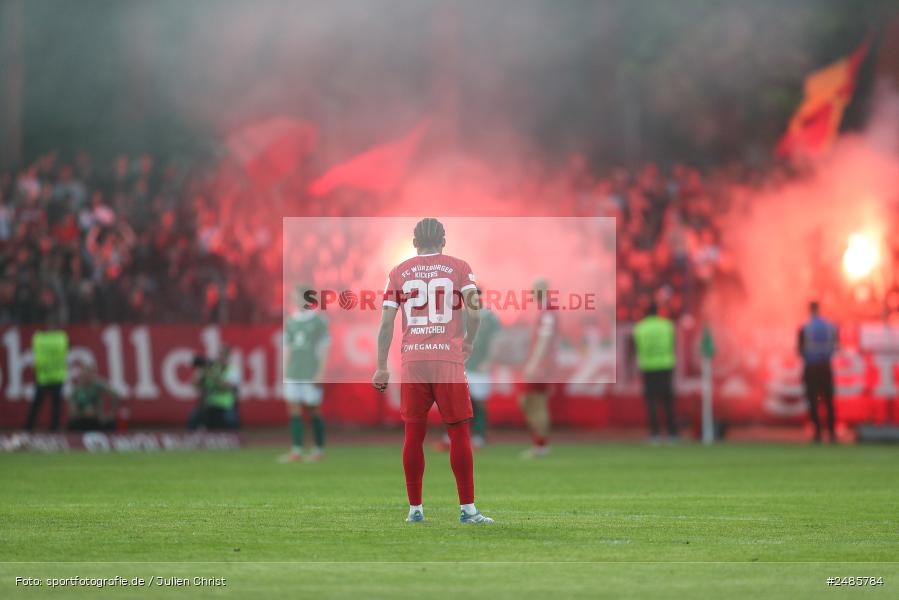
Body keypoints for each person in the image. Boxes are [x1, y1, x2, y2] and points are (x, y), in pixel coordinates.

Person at [372, 217, 493, 524]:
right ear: (443, 241)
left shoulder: (398, 272)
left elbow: (386, 323)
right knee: (458, 433)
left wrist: (381, 366)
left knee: (413, 435)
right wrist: (469, 342)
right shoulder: (459, 267)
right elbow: (475, 310)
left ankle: (415, 510)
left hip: (413, 361)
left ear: (415, 243)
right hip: (447, 359)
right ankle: (468, 510)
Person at [434, 297, 501, 450]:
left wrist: (489, 361)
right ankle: (450, 437)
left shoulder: (489, 317)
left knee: (478, 401)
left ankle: (479, 436)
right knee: (455, 401)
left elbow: (496, 341)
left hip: (479, 366)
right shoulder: (460, 315)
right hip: (461, 364)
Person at [280, 284, 331, 463]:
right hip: (294, 372)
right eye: (294, 297)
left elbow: (324, 348)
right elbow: (287, 348)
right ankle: (297, 451)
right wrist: (285, 372)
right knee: (294, 410)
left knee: (314, 410)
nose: (295, 300)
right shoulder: (291, 321)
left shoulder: (318, 320)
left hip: (311, 372)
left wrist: (321, 372)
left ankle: (318, 450)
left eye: (298, 297)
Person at [518, 279, 558, 458]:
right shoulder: (545, 310)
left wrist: (534, 363)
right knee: (529, 402)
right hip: (542, 364)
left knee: (535, 402)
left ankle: (541, 446)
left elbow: (544, 339)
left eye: (534, 290)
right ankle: (540, 444)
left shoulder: (548, 312)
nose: (532, 293)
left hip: (542, 366)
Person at [633, 301, 677, 442]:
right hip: (665, 365)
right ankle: (672, 434)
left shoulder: (640, 328)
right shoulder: (667, 326)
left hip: (648, 367)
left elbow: (636, 348)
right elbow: (672, 344)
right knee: (668, 402)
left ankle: (655, 434)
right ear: (657, 311)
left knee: (651, 402)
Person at [798, 301, 838, 443]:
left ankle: (817, 433)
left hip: (812, 367)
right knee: (828, 401)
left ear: (810, 310)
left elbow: (799, 350)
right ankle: (832, 433)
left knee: (813, 401)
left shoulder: (805, 327)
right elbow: (836, 346)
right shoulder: (830, 326)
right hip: (826, 367)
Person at [25, 318, 69, 432]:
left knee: (37, 405)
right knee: (56, 406)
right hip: (57, 376)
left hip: (43, 376)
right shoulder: (62, 338)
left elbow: (35, 350)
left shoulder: (39, 339)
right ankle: (54, 429)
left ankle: (28, 428)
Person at [67, 360, 123, 431]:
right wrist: (83, 413)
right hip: (82, 419)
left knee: (110, 423)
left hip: (97, 418)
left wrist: (111, 413)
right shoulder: (76, 390)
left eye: (88, 374)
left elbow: (115, 395)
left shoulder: (97, 384)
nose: (86, 376)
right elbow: (72, 410)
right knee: (72, 424)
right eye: (84, 374)